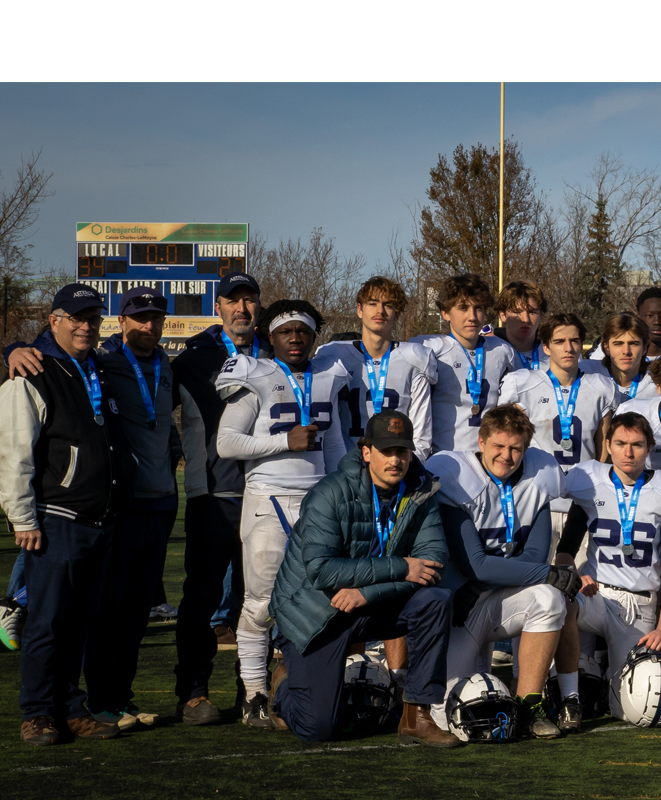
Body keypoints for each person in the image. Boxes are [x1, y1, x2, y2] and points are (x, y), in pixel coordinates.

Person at [267, 411, 461, 747]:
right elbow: (322, 570)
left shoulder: (421, 491)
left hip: (367, 602)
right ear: (366, 451)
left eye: (402, 451)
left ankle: (416, 716)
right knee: (317, 728)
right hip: (318, 610)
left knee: (435, 599)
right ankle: (283, 686)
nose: (395, 460)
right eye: (386, 451)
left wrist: (367, 594)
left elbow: (431, 566)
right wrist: (401, 566)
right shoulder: (330, 492)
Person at [0, 284, 124, 745]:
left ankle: (70, 708)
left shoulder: (96, 368)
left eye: (93, 317)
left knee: (77, 624)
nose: (86, 325)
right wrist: (22, 517)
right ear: (54, 321)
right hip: (54, 519)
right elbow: (10, 451)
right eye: (76, 317)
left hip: (98, 521)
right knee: (47, 622)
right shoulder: (31, 372)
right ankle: (37, 713)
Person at [216, 300, 354, 728]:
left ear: (314, 337)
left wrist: (345, 492)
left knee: (323, 599)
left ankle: (303, 681)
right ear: (269, 336)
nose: (295, 337)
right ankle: (254, 694)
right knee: (260, 604)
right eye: (285, 331)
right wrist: (283, 443)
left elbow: (334, 446)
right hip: (268, 498)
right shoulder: (253, 373)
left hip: (318, 502)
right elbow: (227, 442)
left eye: (303, 330)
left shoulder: (329, 376)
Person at [426, 404, 576, 738]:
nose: (506, 456)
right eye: (499, 446)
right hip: (460, 610)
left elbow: (536, 555)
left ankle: (528, 706)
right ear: (481, 442)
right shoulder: (456, 477)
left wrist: (489, 581)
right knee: (456, 717)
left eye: (515, 448)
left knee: (550, 598)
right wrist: (540, 573)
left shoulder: (541, 475)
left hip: (489, 598)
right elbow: (475, 565)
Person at [561, 412, 661, 718]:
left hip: (639, 605)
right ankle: (568, 696)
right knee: (556, 603)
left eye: (637, 444)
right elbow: (564, 551)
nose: (628, 452)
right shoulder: (589, 483)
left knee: (630, 710)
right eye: (621, 443)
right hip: (595, 595)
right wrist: (574, 577)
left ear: (650, 447)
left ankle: (602, 688)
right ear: (608, 445)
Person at [84, 285, 181, 730]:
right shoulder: (102, 364)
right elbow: (53, 354)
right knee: (110, 608)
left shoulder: (167, 365)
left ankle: (122, 698)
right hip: (124, 506)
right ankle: (101, 700)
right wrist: (15, 348)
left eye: (156, 318)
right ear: (121, 322)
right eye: (140, 318)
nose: (149, 326)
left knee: (139, 611)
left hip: (162, 504)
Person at [173, 272, 262, 722]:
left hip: (268, 491)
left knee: (262, 597)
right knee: (204, 595)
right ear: (219, 306)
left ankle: (256, 691)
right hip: (214, 493)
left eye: (249, 300)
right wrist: (21, 348)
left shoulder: (277, 349)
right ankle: (193, 691)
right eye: (233, 301)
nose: (241, 309)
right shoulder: (192, 359)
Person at [500, 312, 623, 560]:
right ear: (545, 346)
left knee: (580, 585)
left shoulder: (602, 386)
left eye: (575, 341)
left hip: (582, 503)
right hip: (537, 501)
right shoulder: (522, 384)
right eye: (559, 341)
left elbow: (603, 451)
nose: (568, 348)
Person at [311, 277, 436, 455]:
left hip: (394, 462)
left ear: (397, 314)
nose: (380, 311)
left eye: (388, 305)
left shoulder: (415, 358)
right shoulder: (334, 356)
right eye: (372, 303)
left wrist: (408, 469)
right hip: (346, 462)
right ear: (359, 310)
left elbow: (421, 434)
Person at [411, 273, 520, 455]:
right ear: (445, 313)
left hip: (488, 459)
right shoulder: (430, 349)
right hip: (443, 458)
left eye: (478, 308)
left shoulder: (502, 351)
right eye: (463, 308)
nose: (472, 316)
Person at [592, 311, 658, 403]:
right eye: (618, 344)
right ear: (606, 348)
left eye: (633, 344)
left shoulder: (658, 383)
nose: (626, 351)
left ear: (644, 348)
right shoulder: (589, 375)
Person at [495, 279, 549, 373]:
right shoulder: (491, 353)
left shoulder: (555, 354)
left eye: (532, 312)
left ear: (541, 314)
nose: (525, 319)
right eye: (517, 312)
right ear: (503, 315)